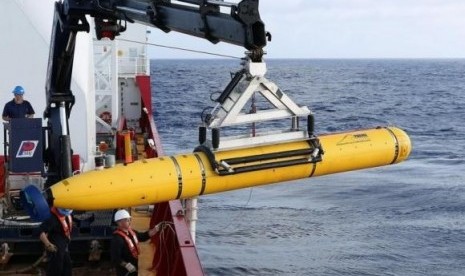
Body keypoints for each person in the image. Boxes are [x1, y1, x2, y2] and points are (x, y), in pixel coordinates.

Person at [111, 209, 163, 276]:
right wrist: (126, 265)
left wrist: (156, 229)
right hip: (125, 272)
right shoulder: (117, 239)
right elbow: (115, 258)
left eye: (129, 219)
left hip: (134, 267)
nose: (129, 221)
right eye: (127, 220)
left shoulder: (131, 232)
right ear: (119, 223)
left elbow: (143, 236)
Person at [39, 207, 73, 276]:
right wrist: (48, 244)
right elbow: (41, 232)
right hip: (55, 249)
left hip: (64, 247)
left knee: (67, 266)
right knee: (56, 268)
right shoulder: (53, 219)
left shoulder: (68, 215)